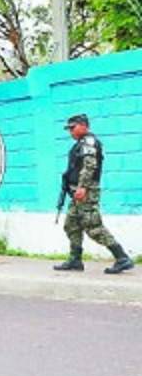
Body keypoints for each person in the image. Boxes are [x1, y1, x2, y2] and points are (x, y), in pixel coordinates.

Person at [54, 114, 134, 274]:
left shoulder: (89, 142)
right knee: (71, 225)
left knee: (93, 227)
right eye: (69, 129)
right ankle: (75, 260)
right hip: (77, 194)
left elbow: (89, 165)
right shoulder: (80, 144)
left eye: (73, 127)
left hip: (86, 192)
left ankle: (122, 257)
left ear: (84, 126)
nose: (70, 131)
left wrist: (83, 187)